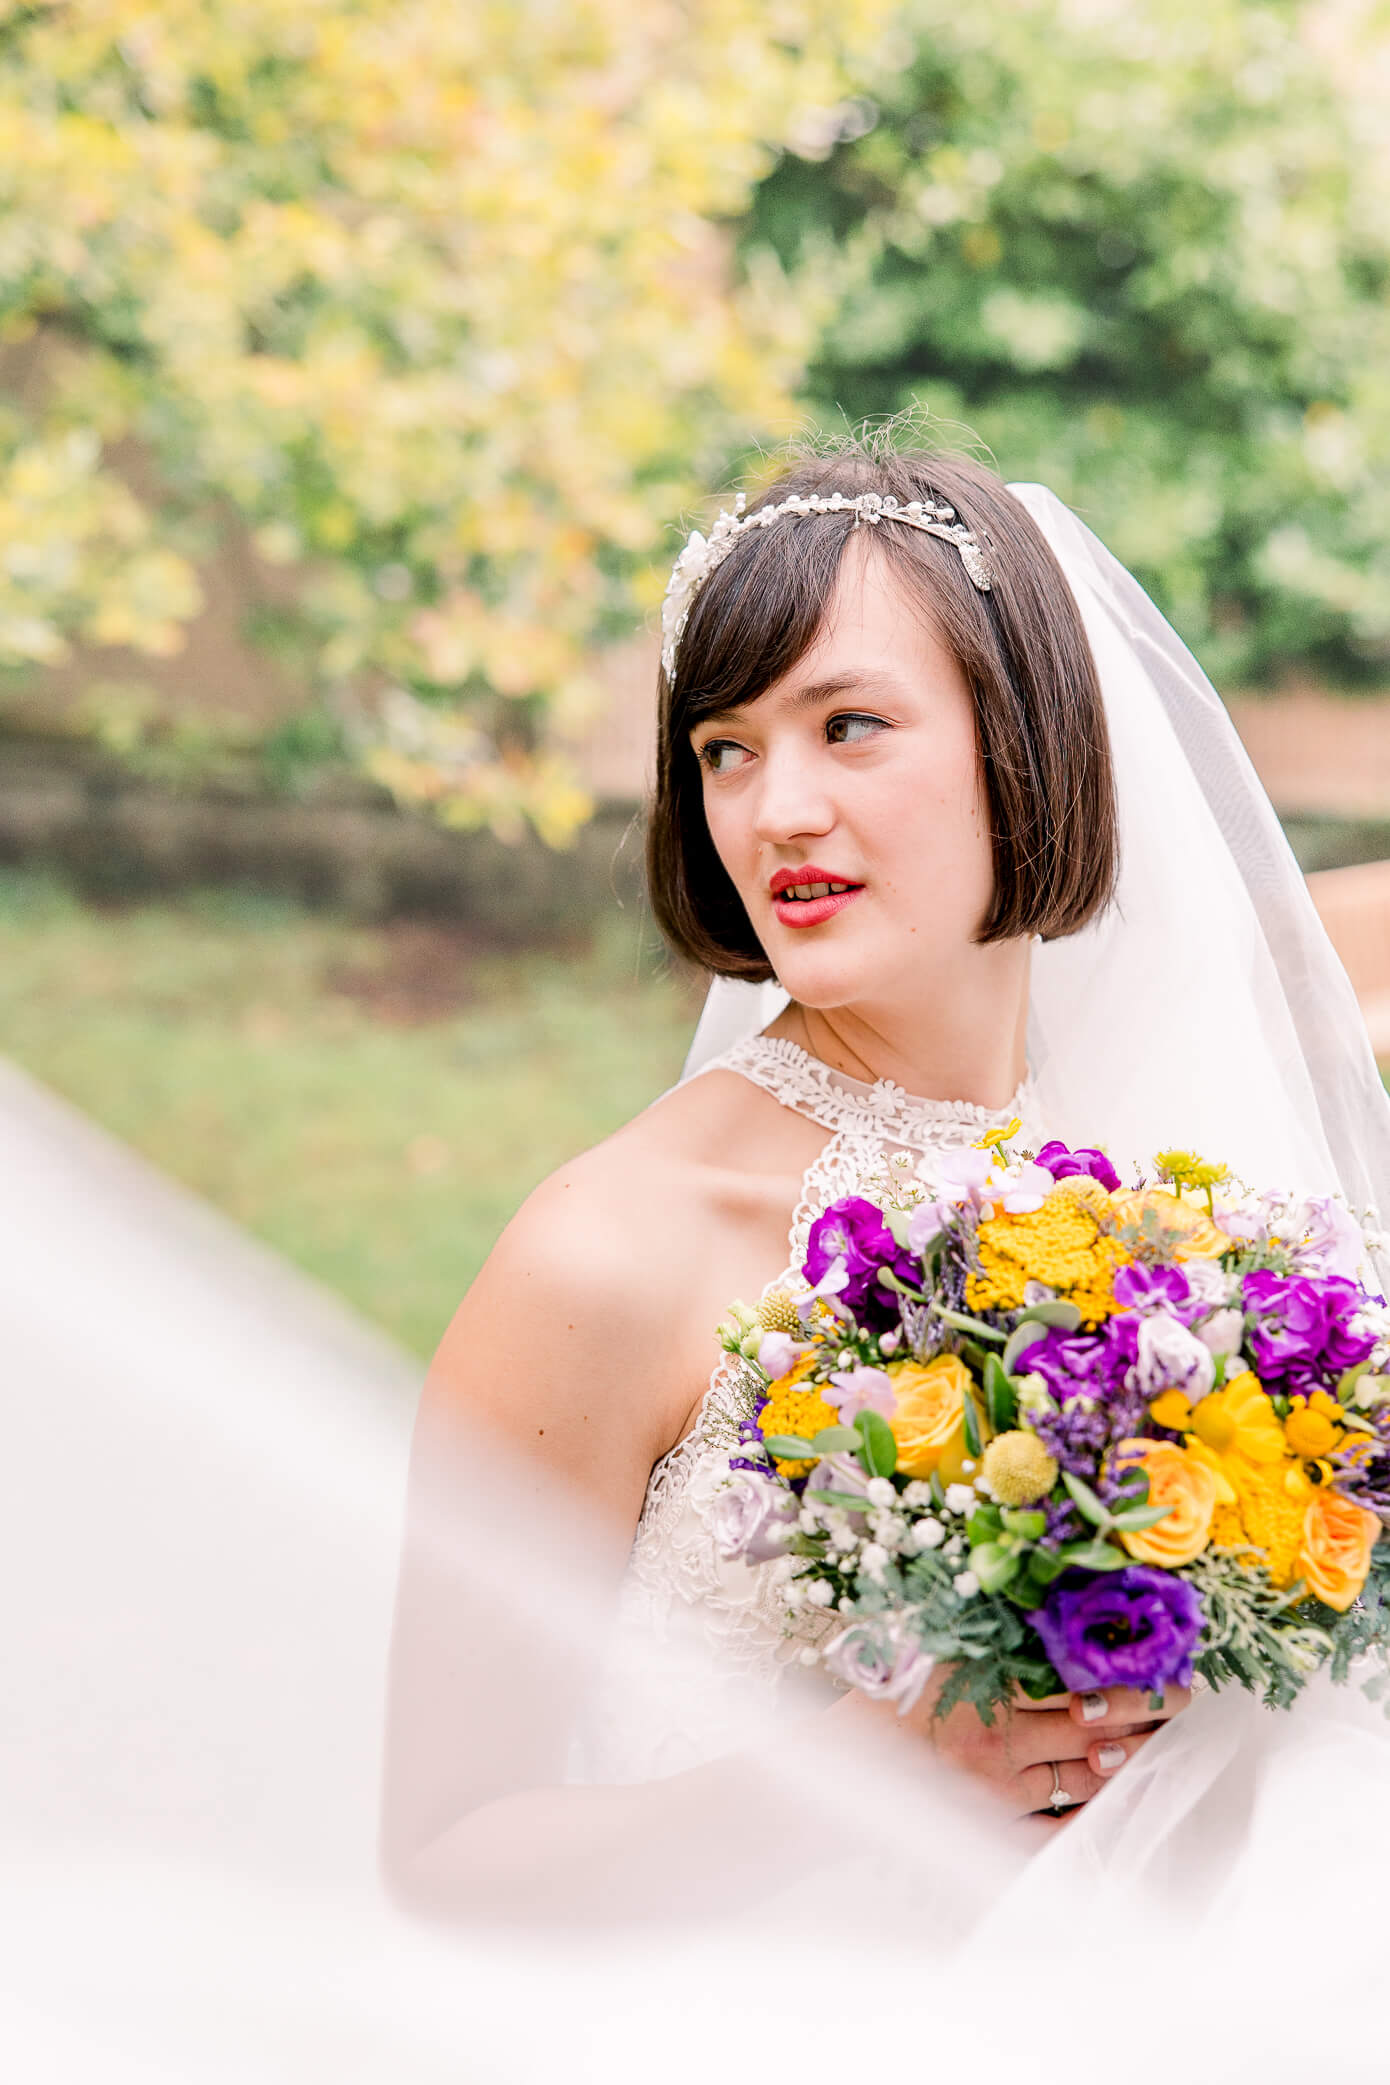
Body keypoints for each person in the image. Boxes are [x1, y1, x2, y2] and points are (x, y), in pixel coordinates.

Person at [387, 432, 1387, 1918]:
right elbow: (438, 1868)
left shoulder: (1142, 1141)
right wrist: (864, 1779)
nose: (772, 807)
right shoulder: (615, 1249)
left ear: (1023, 739)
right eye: (725, 746)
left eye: (847, 724)